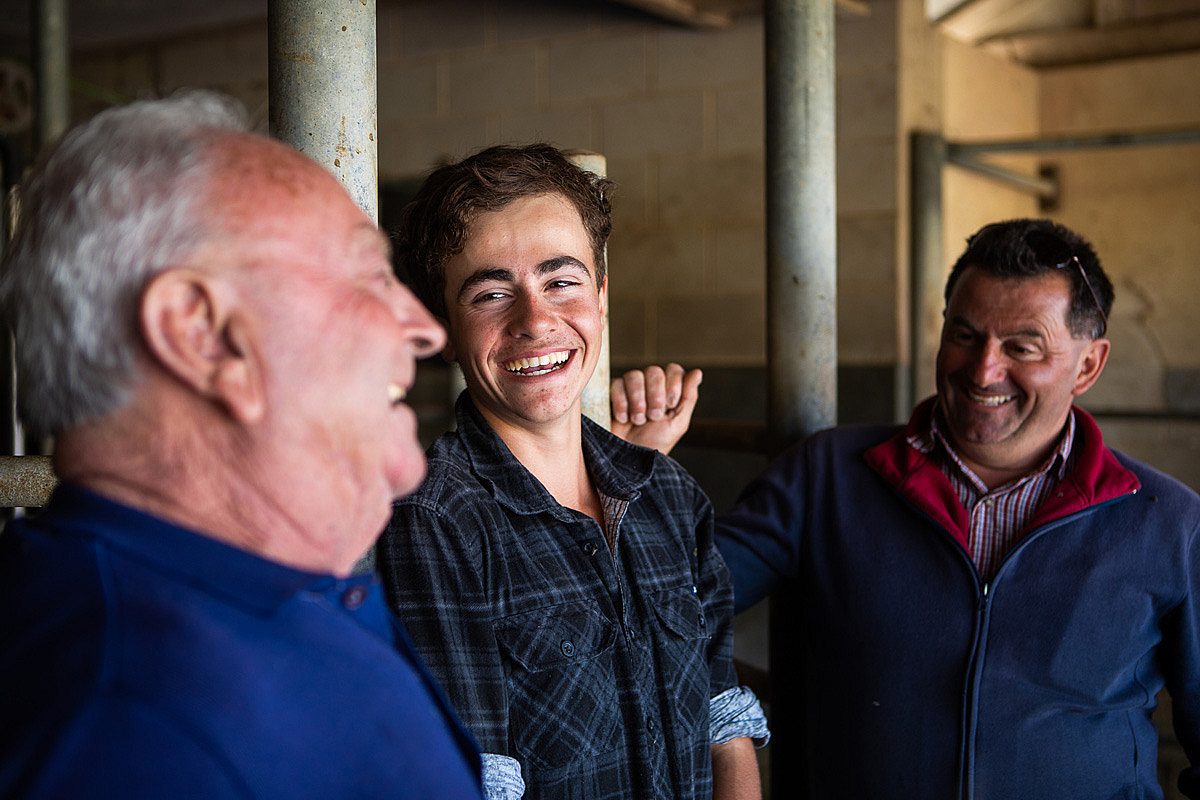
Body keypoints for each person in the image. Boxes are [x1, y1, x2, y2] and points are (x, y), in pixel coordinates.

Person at [612, 219, 1200, 799]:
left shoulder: (1168, 524)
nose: (984, 369)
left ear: (1089, 365)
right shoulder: (827, 476)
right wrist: (630, 473)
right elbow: (668, 599)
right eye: (965, 335)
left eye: (1021, 346)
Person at [0, 93, 483, 798]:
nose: (426, 329)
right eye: (370, 276)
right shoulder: (128, 727)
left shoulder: (238, 591)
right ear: (204, 335)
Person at [375, 144, 768, 800]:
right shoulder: (436, 519)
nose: (535, 321)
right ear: (443, 326)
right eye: (491, 292)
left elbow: (723, 716)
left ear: (602, 293)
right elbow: (479, 781)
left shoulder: (668, 494)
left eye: (561, 281)